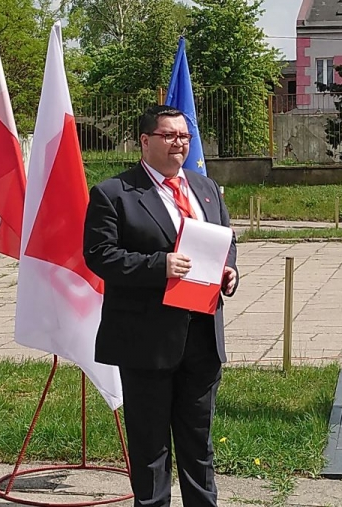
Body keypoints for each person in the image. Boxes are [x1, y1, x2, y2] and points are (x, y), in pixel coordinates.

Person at [83, 104, 239, 507]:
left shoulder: (205, 187)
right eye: (169, 135)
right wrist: (159, 265)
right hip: (147, 342)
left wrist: (229, 272)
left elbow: (225, 241)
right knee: (150, 448)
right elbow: (99, 256)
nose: (179, 143)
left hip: (202, 338)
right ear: (145, 140)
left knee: (198, 445)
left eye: (184, 136)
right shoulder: (114, 194)